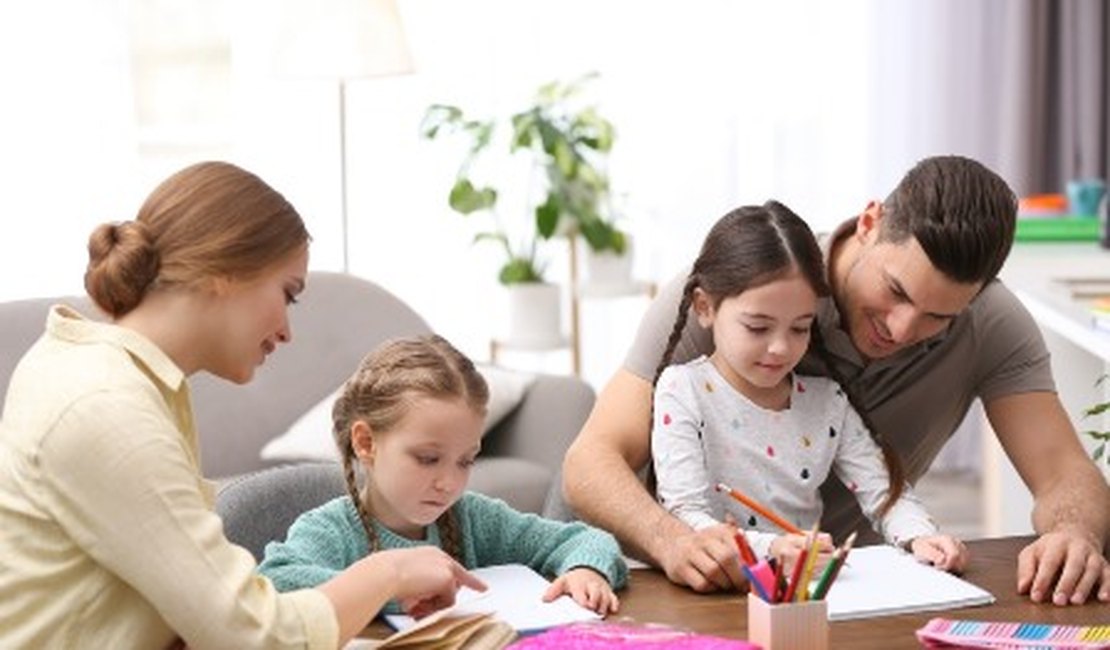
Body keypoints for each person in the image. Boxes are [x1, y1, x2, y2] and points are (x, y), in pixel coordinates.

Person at [563, 155, 1110, 605]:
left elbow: (1063, 472)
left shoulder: (991, 321)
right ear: (869, 223)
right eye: (896, 291)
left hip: (839, 589)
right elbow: (590, 462)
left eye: (938, 318)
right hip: (667, 579)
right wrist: (676, 541)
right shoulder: (735, 290)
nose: (902, 329)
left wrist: (1073, 533)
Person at [0, 161, 484, 649]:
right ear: (225, 270)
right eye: (288, 294)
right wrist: (390, 570)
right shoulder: (106, 407)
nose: (287, 331)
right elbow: (254, 636)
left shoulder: (96, 370)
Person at [651, 201, 967, 574]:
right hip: (719, 590)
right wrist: (773, 549)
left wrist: (919, 536)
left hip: (806, 590)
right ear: (704, 308)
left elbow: (882, 492)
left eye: (800, 328)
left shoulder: (827, 401)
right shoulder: (683, 389)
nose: (781, 348)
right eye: (757, 327)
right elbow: (686, 516)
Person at [258, 335, 627, 616]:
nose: (449, 483)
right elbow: (273, 583)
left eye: (465, 462)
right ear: (366, 442)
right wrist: (390, 580)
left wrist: (585, 570)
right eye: (428, 458)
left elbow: (585, 540)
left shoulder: (473, 519)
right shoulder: (332, 531)